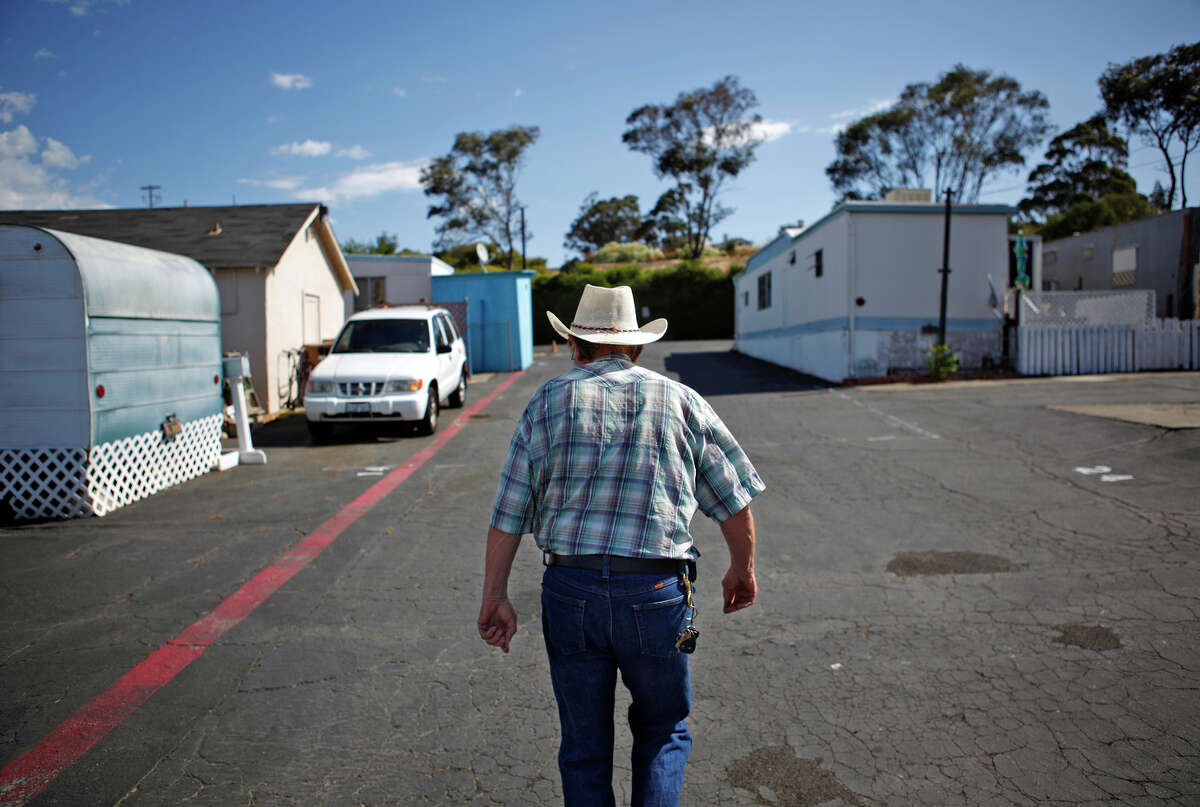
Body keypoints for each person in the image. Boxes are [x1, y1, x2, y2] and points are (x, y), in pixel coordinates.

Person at [477, 284, 765, 806]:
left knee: (584, 745)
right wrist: (742, 568)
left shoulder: (549, 400)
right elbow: (734, 496)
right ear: (635, 347)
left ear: (576, 346)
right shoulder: (681, 400)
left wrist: (494, 595)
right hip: (655, 588)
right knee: (662, 731)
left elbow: (510, 510)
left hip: (569, 589)